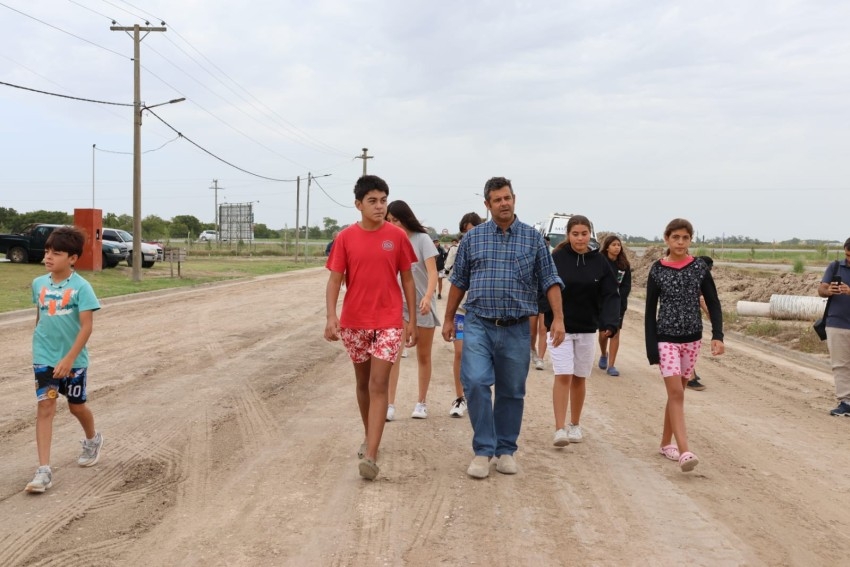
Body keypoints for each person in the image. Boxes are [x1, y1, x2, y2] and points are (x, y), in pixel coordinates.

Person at [442, 177, 564, 479]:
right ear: (487, 205)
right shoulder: (473, 239)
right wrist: (447, 319)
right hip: (478, 323)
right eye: (497, 199)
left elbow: (550, 280)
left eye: (507, 198)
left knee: (512, 390)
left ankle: (506, 449)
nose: (504, 203)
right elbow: (458, 283)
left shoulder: (533, 239)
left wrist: (558, 318)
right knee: (475, 382)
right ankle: (483, 450)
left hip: (516, 328)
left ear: (514, 199)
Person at [324, 175, 418, 481]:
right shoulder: (345, 238)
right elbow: (335, 280)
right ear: (358, 205)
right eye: (372, 201)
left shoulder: (398, 237)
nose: (379, 206)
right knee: (363, 383)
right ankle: (369, 435)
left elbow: (407, 279)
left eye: (383, 200)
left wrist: (411, 320)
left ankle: (372, 455)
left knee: (379, 385)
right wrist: (331, 316)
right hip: (354, 322)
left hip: (389, 321)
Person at [26, 226, 104, 493]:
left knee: (76, 406)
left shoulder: (83, 287)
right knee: (45, 406)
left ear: (72, 258)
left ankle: (92, 439)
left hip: (74, 360)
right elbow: (40, 317)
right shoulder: (38, 284)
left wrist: (70, 358)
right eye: (47, 251)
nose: (49, 256)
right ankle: (43, 471)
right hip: (44, 356)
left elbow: (86, 327)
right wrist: (38, 346)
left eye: (56, 253)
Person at [645, 218, 724, 473]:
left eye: (685, 238)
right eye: (675, 237)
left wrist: (718, 335)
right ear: (666, 239)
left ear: (690, 240)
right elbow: (649, 311)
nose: (680, 242)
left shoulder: (699, 267)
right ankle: (684, 450)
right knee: (676, 394)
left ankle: (665, 442)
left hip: (692, 339)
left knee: (678, 391)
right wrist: (651, 346)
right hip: (666, 338)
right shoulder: (657, 270)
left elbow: (713, 303)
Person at [545, 216, 620, 447]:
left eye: (584, 233)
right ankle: (559, 428)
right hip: (560, 329)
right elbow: (545, 287)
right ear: (568, 235)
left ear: (591, 235)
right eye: (575, 234)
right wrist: (548, 318)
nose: (580, 238)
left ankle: (575, 424)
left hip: (587, 328)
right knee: (563, 374)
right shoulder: (556, 258)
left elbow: (610, 293)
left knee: (579, 377)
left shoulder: (599, 262)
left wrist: (610, 321)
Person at [386, 201, 440, 421]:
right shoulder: (389, 241)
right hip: (399, 307)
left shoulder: (422, 239)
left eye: (395, 220)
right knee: (393, 356)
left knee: (423, 356)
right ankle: (389, 404)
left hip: (423, 306)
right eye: (388, 221)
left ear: (405, 219)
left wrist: (428, 296)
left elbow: (433, 272)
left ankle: (421, 402)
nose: (392, 224)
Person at [446, 212, 483, 418]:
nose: (469, 236)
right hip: (461, 312)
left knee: (481, 356)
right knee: (460, 353)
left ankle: (479, 396)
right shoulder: (457, 252)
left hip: (482, 313)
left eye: (472, 231)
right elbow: (453, 282)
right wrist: (449, 317)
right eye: (465, 232)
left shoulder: (489, 250)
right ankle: (460, 397)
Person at [817, 237, 850, 416]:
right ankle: (845, 402)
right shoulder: (835, 267)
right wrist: (828, 291)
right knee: (841, 365)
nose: (849, 259)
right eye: (847, 255)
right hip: (837, 323)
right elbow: (821, 289)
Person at [597, 234, 632, 377]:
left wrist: (618, 298)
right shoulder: (600, 262)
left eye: (619, 245)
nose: (617, 248)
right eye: (614, 245)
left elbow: (626, 285)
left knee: (615, 332)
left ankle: (611, 365)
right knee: (603, 333)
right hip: (601, 303)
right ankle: (603, 354)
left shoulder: (624, 265)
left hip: (618, 304)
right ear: (607, 247)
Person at [687, 255, 715, 391]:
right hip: (687, 319)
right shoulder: (696, 276)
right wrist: (710, 315)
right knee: (688, 347)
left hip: (688, 317)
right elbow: (701, 300)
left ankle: (690, 374)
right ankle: (690, 377)